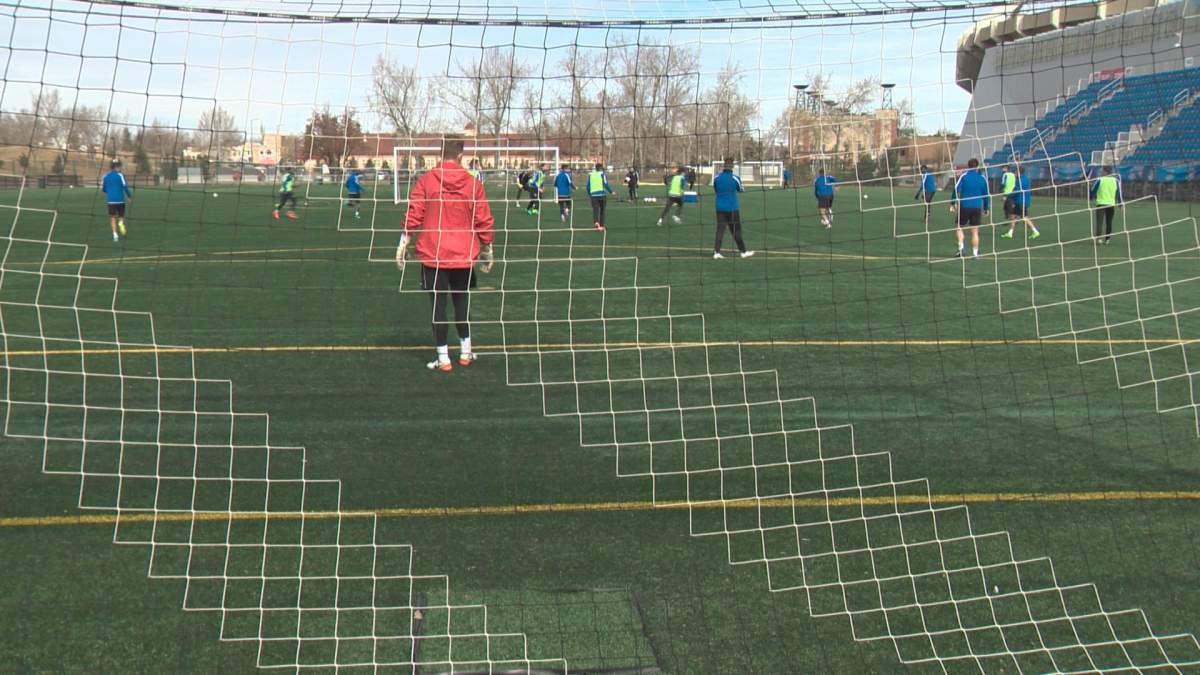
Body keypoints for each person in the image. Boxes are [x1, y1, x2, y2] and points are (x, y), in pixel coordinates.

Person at [395, 138, 495, 372]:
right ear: (460, 155)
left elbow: (414, 213)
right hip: (463, 253)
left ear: (440, 154)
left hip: (434, 253)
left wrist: (403, 242)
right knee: (462, 302)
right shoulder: (473, 184)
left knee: (438, 306)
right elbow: (483, 218)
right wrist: (487, 247)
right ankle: (465, 353)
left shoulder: (426, 181)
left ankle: (444, 358)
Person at [711, 158, 754, 259]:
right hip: (732, 208)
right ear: (732, 167)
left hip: (720, 208)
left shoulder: (717, 178)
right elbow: (740, 189)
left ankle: (716, 252)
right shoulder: (735, 178)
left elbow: (716, 189)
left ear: (723, 166)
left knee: (720, 230)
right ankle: (743, 252)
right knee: (736, 231)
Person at [949, 158, 990, 258]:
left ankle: (961, 249)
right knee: (975, 232)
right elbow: (986, 195)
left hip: (965, 206)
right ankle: (975, 253)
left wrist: (953, 203)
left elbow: (956, 189)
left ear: (968, 166)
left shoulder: (964, 176)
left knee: (959, 227)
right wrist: (986, 208)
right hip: (977, 207)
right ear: (977, 166)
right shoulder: (982, 178)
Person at [1001, 167, 1039, 240]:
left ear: (1018, 172)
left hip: (1020, 201)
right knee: (1013, 216)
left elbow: (1017, 191)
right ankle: (1010, 233)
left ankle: (1035, 231)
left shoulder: (1020, 181)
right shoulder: (1025, 179)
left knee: (1024, 217)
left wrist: (1007, 196)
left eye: (1015, 172)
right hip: (1023, 200)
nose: (1014, 173)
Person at [1090, 165, 1123, 244]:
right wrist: (1120, 204)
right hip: (1111, 204)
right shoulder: (1116, 181)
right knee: (1109, 222)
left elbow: (1093, 190)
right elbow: (1119, 193)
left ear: (1105, 172)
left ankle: (1099, 239)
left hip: (1101, 203)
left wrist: (1091, 197)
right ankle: (1107, 239)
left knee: (1099, 222)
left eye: (1102, 171)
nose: (1101, 172)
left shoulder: (1100, 179)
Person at [101, 159, 132, 242]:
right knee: (121, 216)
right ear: (117, 167)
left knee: (112, 218)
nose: (121, 167)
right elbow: (125, 187)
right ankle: (121, 223)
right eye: (120, 166)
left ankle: (115, 235)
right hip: (120, 200)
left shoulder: (106, 176)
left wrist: (110, 192)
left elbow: (104, 189)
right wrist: (129, 196)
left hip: (111, 201)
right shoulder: (120, 175)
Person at [587, 163, 614, 232]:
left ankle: (596, 222)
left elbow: (588, 186)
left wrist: (590, 193)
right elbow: (605, 184)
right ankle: (601, 225)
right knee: (602, 210)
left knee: (595, 210)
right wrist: (611, 191)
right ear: (601, 168)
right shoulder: (602, 174)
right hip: (602, 195)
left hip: (593, 195)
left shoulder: (591, 175)